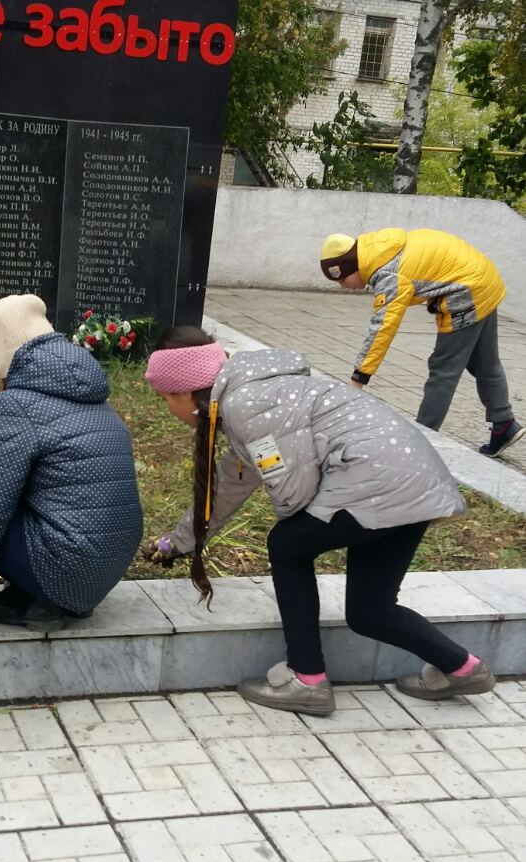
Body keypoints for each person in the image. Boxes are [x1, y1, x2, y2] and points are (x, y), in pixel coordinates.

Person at [144, 326, 495, 716]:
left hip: (378, 482)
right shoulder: (259, 395)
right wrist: (180, 541)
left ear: (184, 393)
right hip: (413, 484)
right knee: (370, 613)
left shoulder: (247, 405)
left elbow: (294, 492)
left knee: (287, 544)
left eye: (164, 400)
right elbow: (231, 482)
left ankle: (306, 679)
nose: (167, 410)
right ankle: (464, 667)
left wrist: (289, 516)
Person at [0, 293, 143, 629]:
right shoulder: (98, 399)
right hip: (107, 568)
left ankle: (39, 598)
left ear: (4, 358)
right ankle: (49, 599)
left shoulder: (17, 406)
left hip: (65, 567)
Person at [319, 227, 521, 456]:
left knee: (443, 369)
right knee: (484, 363)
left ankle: (421, 441)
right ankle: (504, 424)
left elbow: (383, 328)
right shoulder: (379, 249)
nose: (343, 286)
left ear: (350, 266)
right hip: (484, 279)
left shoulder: (388, 275)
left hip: (468, 290)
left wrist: (358, 378)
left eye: (342, 279)